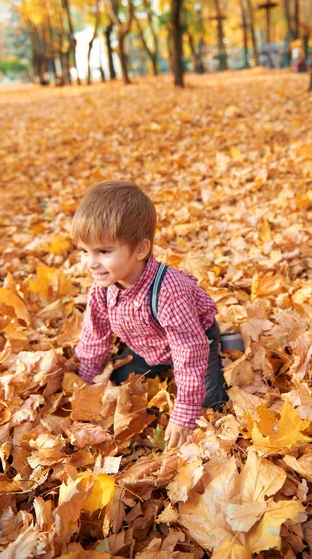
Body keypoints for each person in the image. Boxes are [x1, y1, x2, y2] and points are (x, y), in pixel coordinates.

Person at [71, 181, 227, 449]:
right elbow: (95, 334)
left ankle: (224, 346)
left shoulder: (169, 292)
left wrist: (185, 411)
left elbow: (189, 350)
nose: (90, 263)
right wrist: (87, 380)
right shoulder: (103, 288)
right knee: (120, 381)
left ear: (141, 249)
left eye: (104, 251)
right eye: (84, 251)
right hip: (147, 346)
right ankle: (159, 368)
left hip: (195, 342)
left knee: (208, 406)